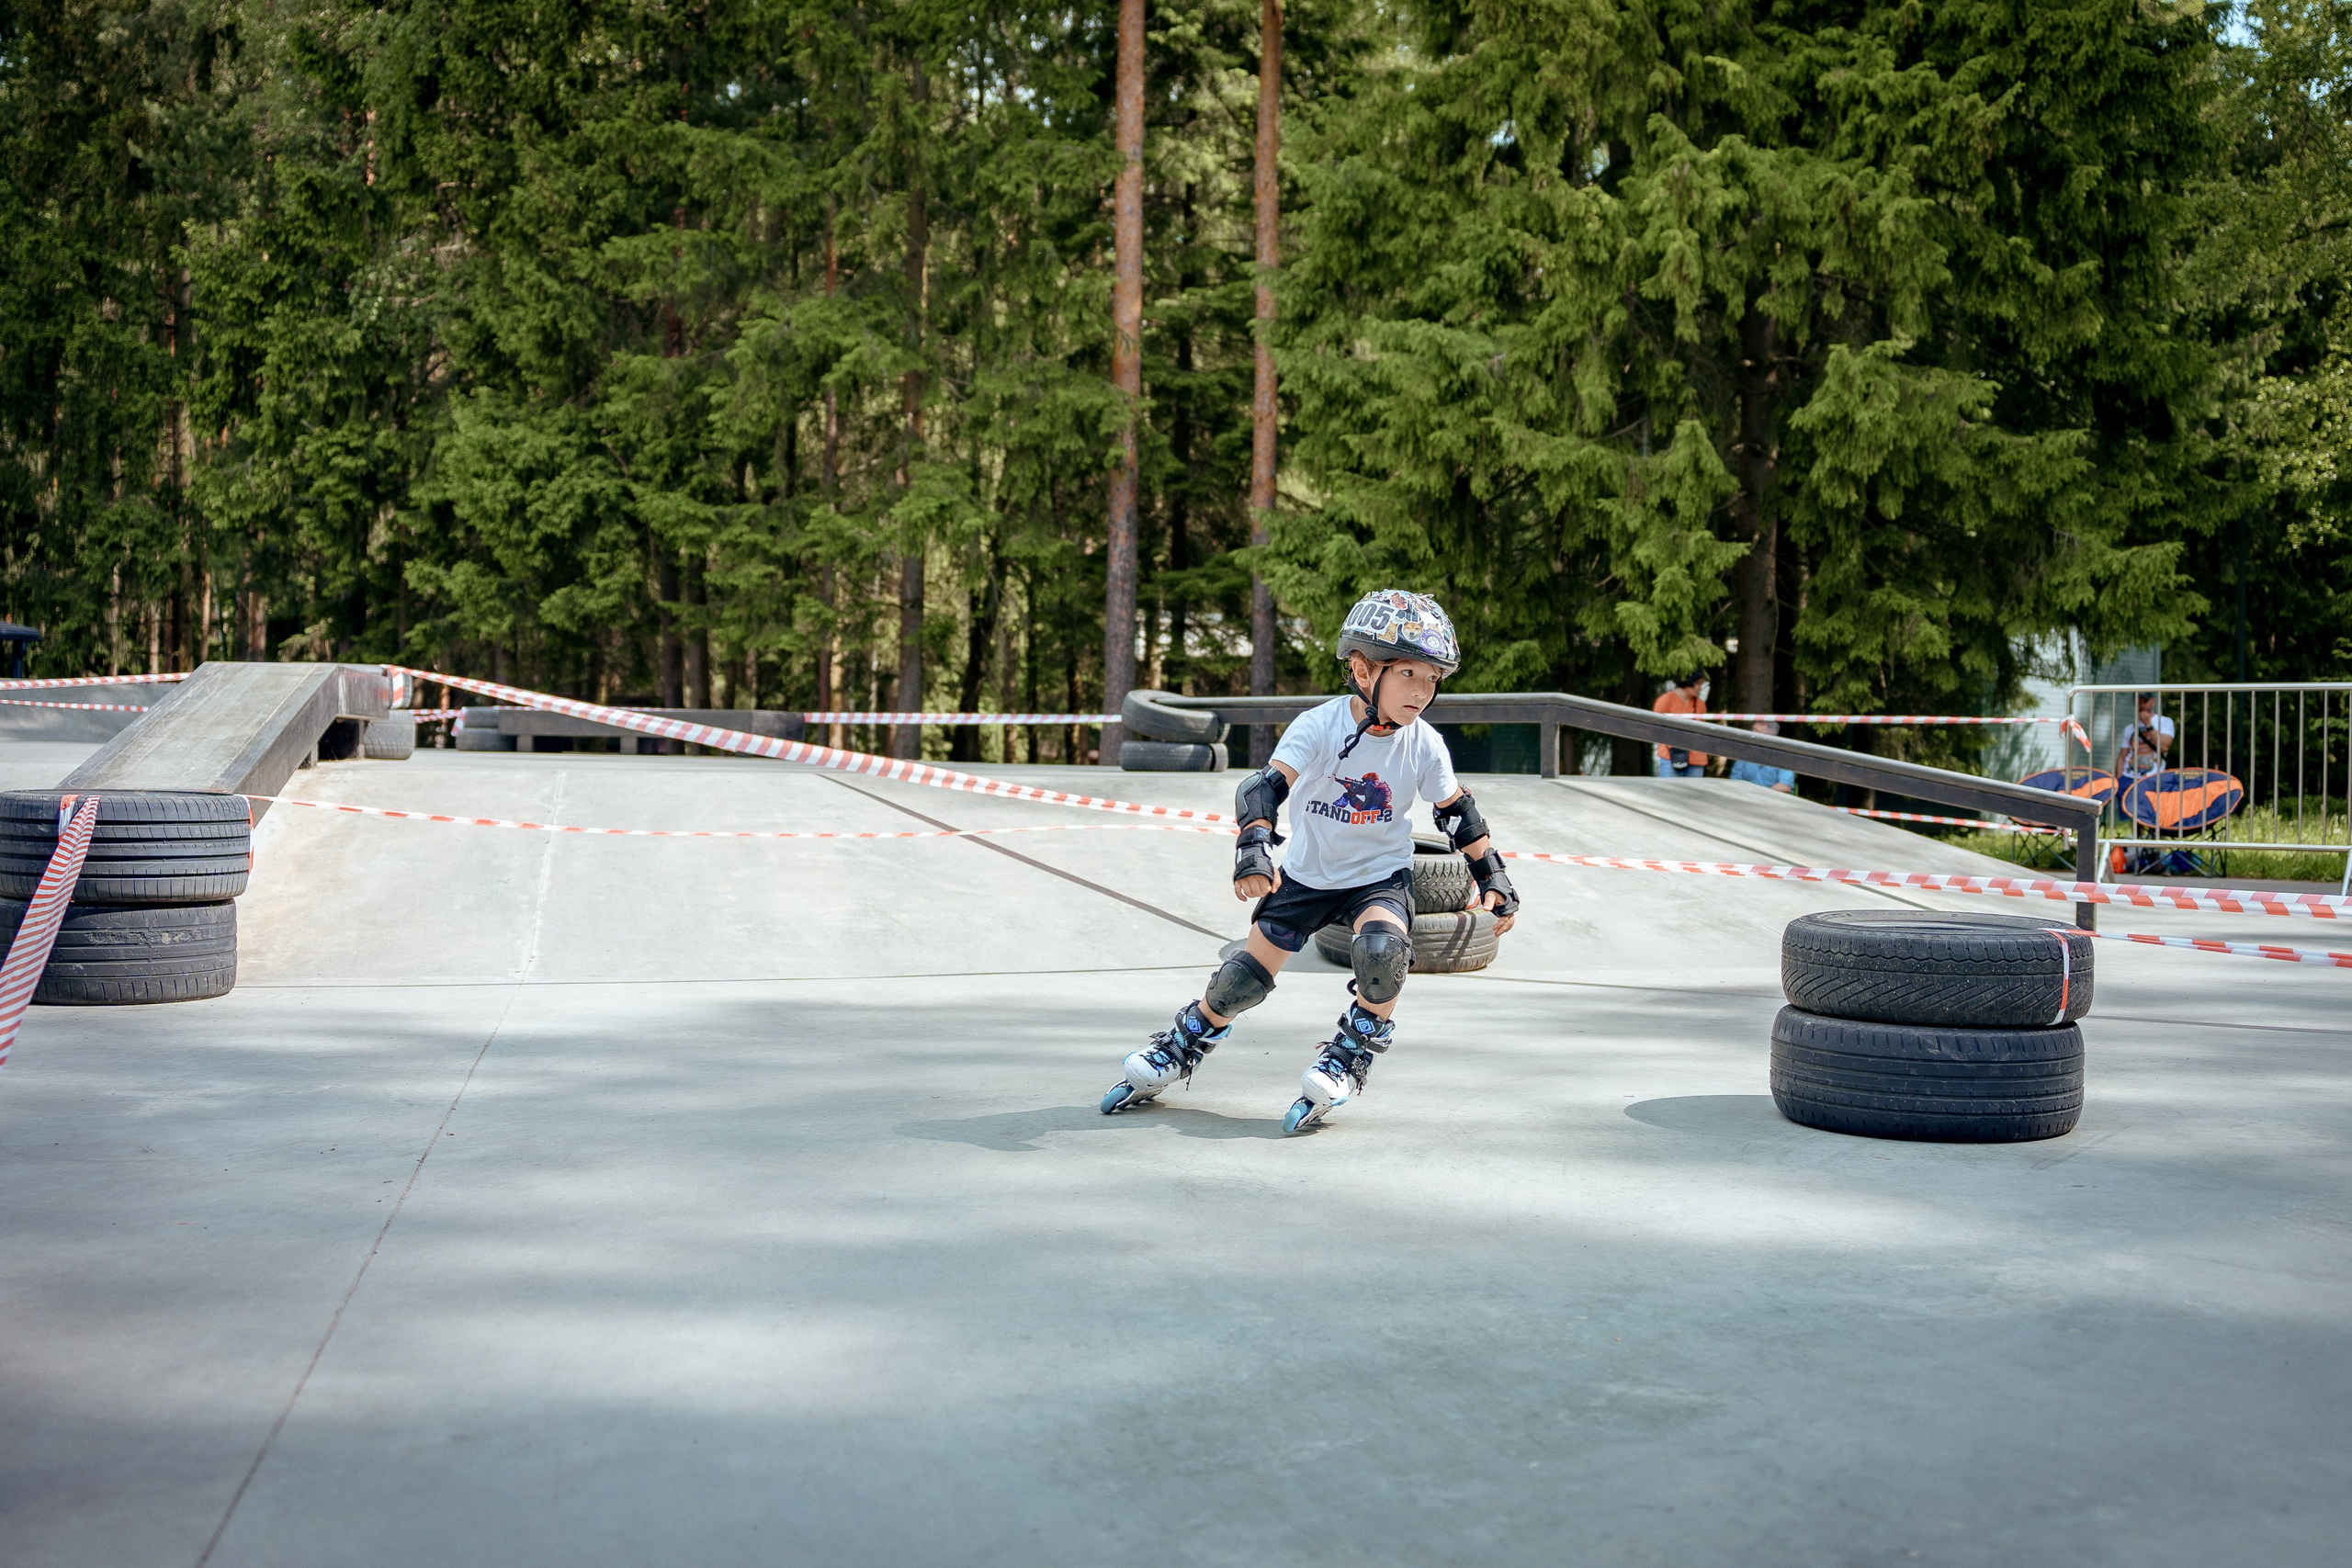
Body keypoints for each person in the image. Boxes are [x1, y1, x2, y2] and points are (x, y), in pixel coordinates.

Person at [1099, 590, 1522, 1134]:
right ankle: (1182, 1045)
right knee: (1240, 982)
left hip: (1379, 878)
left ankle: (1349, 1057)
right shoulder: (1318, 727)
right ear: (1363, 669)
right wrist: (1254, 848)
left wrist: (1495, 877)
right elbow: (1264, 790)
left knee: (1383, 951)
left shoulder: (1424, 744)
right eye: (1410, 674)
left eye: (1433, 679)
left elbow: (1458, 813)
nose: (1422, 691)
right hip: (1304, 876)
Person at [1652, 672, 1709, 777]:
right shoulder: (1665, 700)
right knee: (1670, 791)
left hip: (1696, 759)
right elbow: (1655, 728)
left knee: (1693, 793)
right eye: (1698, 684)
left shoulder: (1700, 704)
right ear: (1688, 681)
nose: (1700, 688)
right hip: (1672, 756)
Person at [2112, 692, 2174, 780]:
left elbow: (2164, 747)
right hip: (2128, 777)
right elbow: (2122, 756)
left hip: (2152, 777)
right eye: (2138, 701)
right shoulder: (2129, 728)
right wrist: (2118, 779)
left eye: (2145, 701)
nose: (2141, 705)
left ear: (2153, 702)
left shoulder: (2165, 722)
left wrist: (2148, 724)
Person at [1728, 720, 1795, 792]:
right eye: (1753, 729)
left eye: (1757, 731)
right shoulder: (1745, 754)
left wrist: (1761, 795)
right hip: (1744, 796)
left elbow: (1785, 786)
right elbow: (1734, 780)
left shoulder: (1784, 758)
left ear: (1769, 736)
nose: (1752, 734)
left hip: (1771, 800)